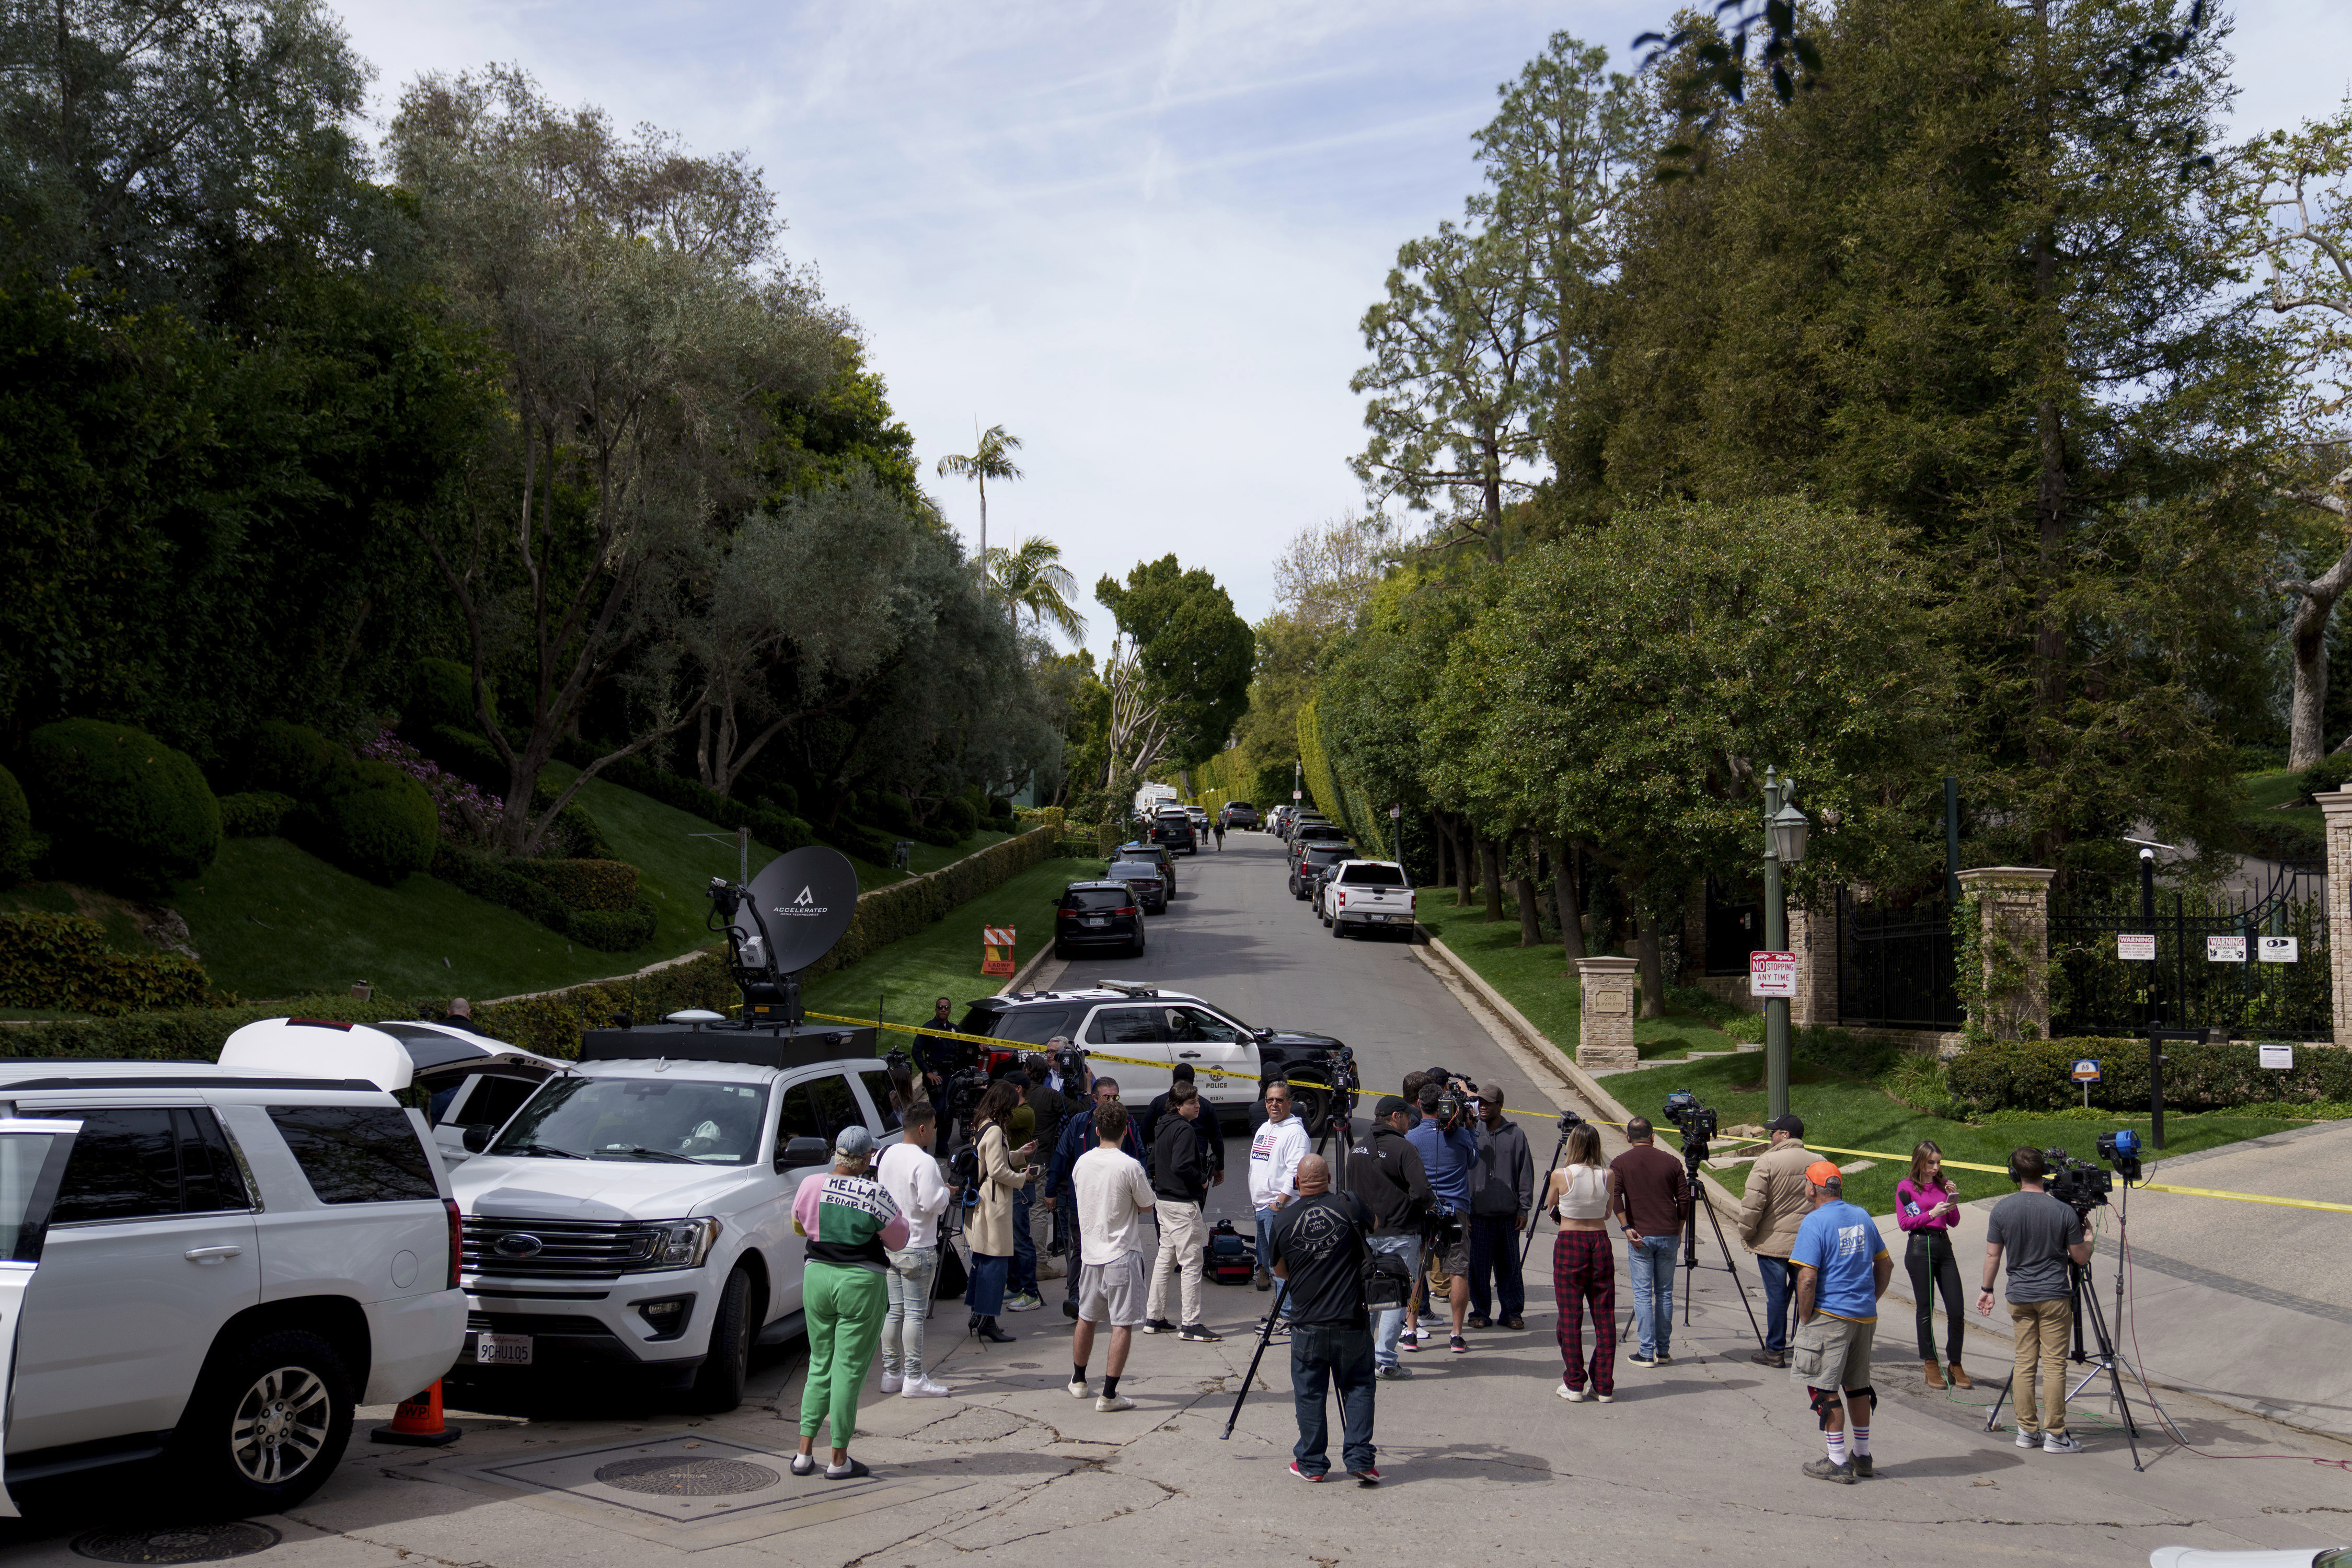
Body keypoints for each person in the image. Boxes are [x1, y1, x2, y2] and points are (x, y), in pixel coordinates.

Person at [790, 1124, 908, 1480]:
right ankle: (839, 1459)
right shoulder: (874, 1193)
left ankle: (803, 1454)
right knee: (849, 1370)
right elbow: (899, 1240)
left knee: (819, 1363)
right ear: (866, 1158)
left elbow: (799, 1226)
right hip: (860, 1282)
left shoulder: (810, 1184)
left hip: (817, 1278)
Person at [1270, 1154, 1379, 1485]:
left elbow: (1279, 1271)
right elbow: (1373, 1227)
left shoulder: (1284, 1220)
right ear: (1330, 1178)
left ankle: (1313, 1463)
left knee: (1309, 1392)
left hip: (1307, 1323)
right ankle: (1360, 1458)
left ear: (1297, 1182)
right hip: (1351, 1318)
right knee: (1359, 1386)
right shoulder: (1350, 1205)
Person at [1978, 1146, 2093, 1454]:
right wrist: (2090, 1239)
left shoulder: (2002, 1210)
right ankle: (2056, 1433)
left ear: (2014, 1174)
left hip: (2019, 1296)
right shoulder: (2063, 1211)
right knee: (2055, 1365)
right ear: (2044, 1173)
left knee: (2025, 1363)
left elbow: (1993, 1254)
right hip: (2054, 1295)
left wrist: (1986, 1290)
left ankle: (2027, 1431)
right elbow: (2080, 1258)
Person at [1790, 1162, 1893, 1483]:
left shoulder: (1814, 1222)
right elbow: (1886, 1265)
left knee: (1820, 1385)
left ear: (1812, 1188)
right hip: (1863, 1316)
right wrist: (1868, 1299)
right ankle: (1862, 1456)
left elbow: (1806, 1279)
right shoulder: (1862, 1216)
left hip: (1829, 1316)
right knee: (1858, 1385)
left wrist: (1806, 1317)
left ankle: (1837, 1461)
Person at [1070, 1099, 1158, 1411]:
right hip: (1121, 1252)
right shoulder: (1130, 1166)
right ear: (1125, 1130)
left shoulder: (1082, 1163)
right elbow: (1147, 1205)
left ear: (1097, 1131)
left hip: (1091, 1253)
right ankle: (1108, 1395)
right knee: (1122, 1324)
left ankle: (1079, 1380)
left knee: (1087, 1316)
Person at [1345, 1094, 1433, 1380]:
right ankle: (1385, 1361)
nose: (1410, 1121)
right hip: (1400, 1233)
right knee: (1396, 1299)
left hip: (1366, 1236)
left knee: (1370, 1297)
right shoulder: (1404, 1148)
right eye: (1407, 1116)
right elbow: (1422, 1192)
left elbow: (1351, 1195)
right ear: (1396, 1117)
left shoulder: (1357, 1149)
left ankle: (1363, 1358)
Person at [1048, 1072, 1143, 1318]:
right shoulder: (1080, 1122)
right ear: (1095, 1099)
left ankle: (1116, 1297)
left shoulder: (1129, 1123)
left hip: (1116, 1203)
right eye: (1106, 1097)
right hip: (1082, 1202)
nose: (1111, 1102)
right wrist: (1051, 1191)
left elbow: (1139, 1158)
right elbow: (1061, 1157)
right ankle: (1076, 1298)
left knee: (1117, 1248)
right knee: (1081, 1247)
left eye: (1115, 1097)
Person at [874, 1102, 952, 1399]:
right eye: (933, 1128)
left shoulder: (886, 1153)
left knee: (894, 1311)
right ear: (922, 1129)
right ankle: (915, 1377)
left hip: (889, 1244)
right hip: (918, 1245)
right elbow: (932, 1203)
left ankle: (892, 1374)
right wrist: (946, 1192)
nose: (934, 1133)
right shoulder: (925, 1162)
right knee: (915, 1315)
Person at [1144, 1081, 1222, 1340]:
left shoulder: (1163, 1126)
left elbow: (1153, 1162)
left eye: (1197, 1100)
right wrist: (1201, 1178)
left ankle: (1154, 1318)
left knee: (1165, 1259)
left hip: (1163, 1202)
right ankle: (1190, 1324)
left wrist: (1163, 1181)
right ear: (1178, 1105)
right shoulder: (1185, 1129)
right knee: (1191, 1263)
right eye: (1192, 1102)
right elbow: (1181, 1166)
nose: (1198, 1106)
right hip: (1181, 1204)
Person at [1610, 1116, 1689, 1368]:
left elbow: (1615, 1196)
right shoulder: (1673, 1162)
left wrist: (1626, 1227)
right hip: (1668, 1233)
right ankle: (1663, 1351)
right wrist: (1679, 1230)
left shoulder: (1620, 1163)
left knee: (1643, 1294)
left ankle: (1646, 1352)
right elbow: (1685, 1200)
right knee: (1665, 1294)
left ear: (1628, 1138)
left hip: (1640, 1235)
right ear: (1653, 1136)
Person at [1545, 1122, 1616, 1403]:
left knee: (1571, 1315)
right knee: (1604, 1315)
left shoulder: (1561, 1175)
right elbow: (1608, 1212)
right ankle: (1604, 1384)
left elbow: (1551, 1207)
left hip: (1570, 1242)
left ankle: (1574, 1381)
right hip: (1600, 1241)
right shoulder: (1607, 1175)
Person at [1405, 1080, 1478, 1354]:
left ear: (1421, 1107)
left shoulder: (1411, 1138)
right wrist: (1471, 1130)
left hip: (1422, 1210)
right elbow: (1473, 1161)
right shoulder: (1459, 1136)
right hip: (1456, 1210)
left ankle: (1411, 1331)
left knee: (1416, 1270)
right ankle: (1457, 1334)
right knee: (1458, 1270)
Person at [1738, 1114, 1814, 1369]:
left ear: (1786, 1136)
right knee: (1810, 1293)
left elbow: (1753, 1202)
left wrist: (1747, 1233)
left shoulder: (1768, 1161)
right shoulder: (1821, 1162)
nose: (1771, 1136)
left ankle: (1775, 1351)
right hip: (1808, 1245)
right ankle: (1809, 1347)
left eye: (1774, 1132)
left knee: (1777, 1298)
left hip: (1773, 1245)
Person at [963, 1081, 1035, 1344]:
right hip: (993, 1205)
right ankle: (987, 1320)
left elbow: (993, 1161)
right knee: (995, 1264)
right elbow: (996, 1170)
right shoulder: (995, 1131)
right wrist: (1022, 1178)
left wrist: (1019, 1154)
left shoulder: (984, 1125)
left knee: (982, 1264)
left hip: (985, 1203)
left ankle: (979, 1317)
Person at [1898, 1138, 1971, 1391]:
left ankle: (1956, 1362)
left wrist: (1952, 1199)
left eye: (1939, 1162)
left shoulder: (1942, 1185)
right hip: (1920, 1246)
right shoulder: (1906, 1188)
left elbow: (1954, 1222)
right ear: (1920, 1161)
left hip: (1943, 1245)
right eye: (1931, 1162)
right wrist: (1931, 1214)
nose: (1936, 1167)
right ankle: (1930, 1362)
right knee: (1926, 1308)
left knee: (1957, 1309)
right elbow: (1905, 1223)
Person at [1466, 1083, 1534, 1331]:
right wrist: (1465, 1211)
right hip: (1478, 1215)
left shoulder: (1516, 1136)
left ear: (1500, 1106)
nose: (1482, 1107)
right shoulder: (1472, 1133)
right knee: (1478, 1269)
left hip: (1508, 1216)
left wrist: (1523, 1208)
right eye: (1480, 1103)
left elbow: (1525, 1174)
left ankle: (1512, 1312)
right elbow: (1462, 1172)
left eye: (1488, 1103)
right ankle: (1480, 1312)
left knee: (1510, 1268)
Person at [1249, 1082, 1311, 1302]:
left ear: (1289, 1103)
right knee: (1270, 1265)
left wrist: (1280, 1203)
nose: (1274, 1104)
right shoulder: (1265, 1128)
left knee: (1282, 1268)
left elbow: (1296, 1173)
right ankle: (1282, 1312)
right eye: (1269, 1100)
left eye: (1279, 1100)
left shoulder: (1295, 1133)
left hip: (1278, 1210)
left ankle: (1287, 1315)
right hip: (1262, 1208)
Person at [1022, 1054, 1070, 1279]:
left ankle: (1024, 1260)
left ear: (1027, 1071)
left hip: (1017, 1161)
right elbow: (1077, 1109)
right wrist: (1086, 1086)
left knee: (1020, 1210)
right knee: (1039, 1211)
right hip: (1041, 1161)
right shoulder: (1050, 1096)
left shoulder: (1017, 1095)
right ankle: (1040, 1262)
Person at [1139, 1063, 1226, 1189]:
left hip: (1163, 1175)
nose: (1197, 1106)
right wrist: (1218, 1168)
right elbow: (1216, 1140)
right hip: (1194, 1172)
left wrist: (1146, 1166)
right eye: (1192, 1102)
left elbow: (1143, 1134)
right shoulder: (1204, 1107)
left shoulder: (1158, 1103)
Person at [1003, 1070, 1043, 1312]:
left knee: (1021, 1240)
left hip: (1021, 1183)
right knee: (1011, 1239)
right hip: (1012, 1180)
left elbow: (1000, 1121)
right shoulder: (1013, 1111)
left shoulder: (1023, 1112)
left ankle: (1031, 1293)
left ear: (1017, 1089)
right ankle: (1016, 1285)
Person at [914, 996, 966, 1127]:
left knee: (949, 1112)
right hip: (935, 1077)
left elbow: (969, 1039)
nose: (943, 1010)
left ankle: (943, 1148)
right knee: (939, 1110)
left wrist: (981, 1043)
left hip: (951, 1076)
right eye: (940, 1007)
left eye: (947, 1008)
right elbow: (916, 1052)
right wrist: (927, 1072)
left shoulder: (954, 1029)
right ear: (936, 1010)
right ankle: (924, 1141)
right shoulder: (928, 1028)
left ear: (950, 1011)